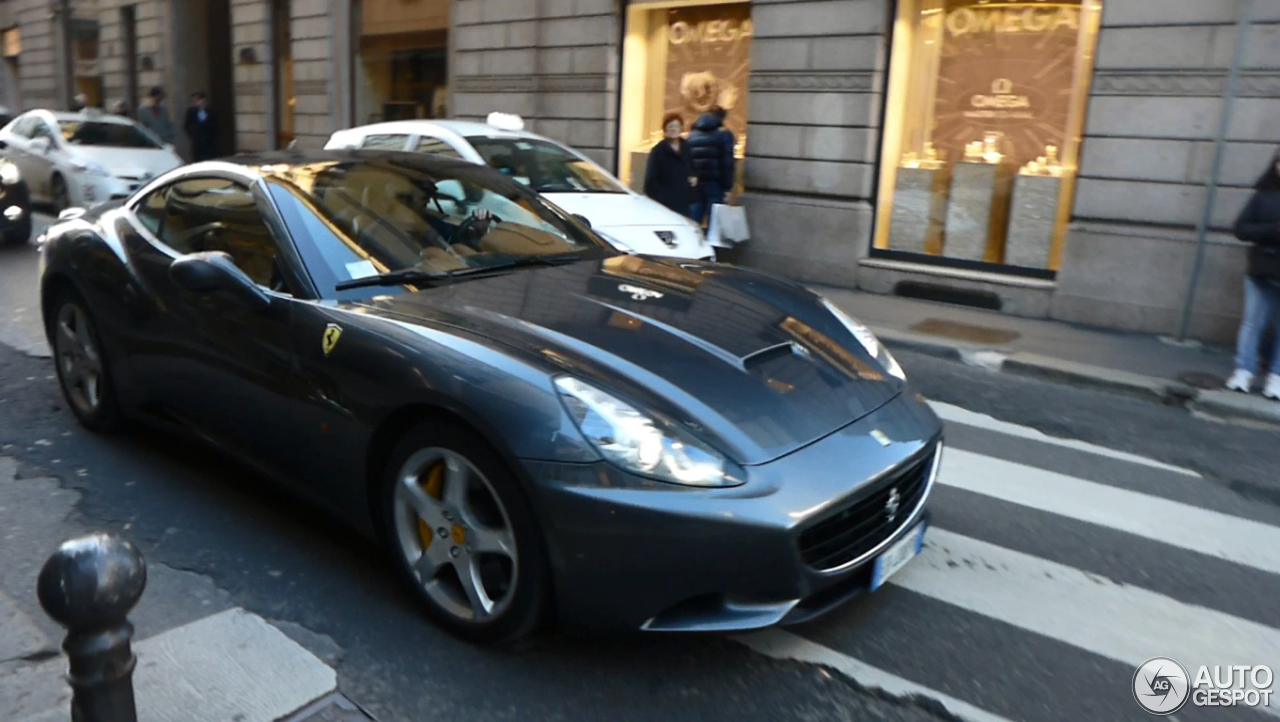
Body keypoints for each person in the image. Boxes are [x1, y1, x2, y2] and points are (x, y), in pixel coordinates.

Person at [1227, 149, 1280, 399]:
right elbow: (1240, 229)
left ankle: (1276, 378)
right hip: (1262, 271)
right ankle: (1243, 372)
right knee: (1252, 324)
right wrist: (1274, 229)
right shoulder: (1263, 197)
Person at [685, 105, 735, 225]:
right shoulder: (724, 135)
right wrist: (728, 188)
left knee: (693, 224)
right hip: (715, 186)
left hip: (695, 186)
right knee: (715, 227)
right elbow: (727, 164)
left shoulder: (691, 135)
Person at [643, 112, 694, 219]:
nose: (673, 129)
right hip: (665, 205)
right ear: (665, 129)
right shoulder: (658, 151)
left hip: (684, 203)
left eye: (676, 126)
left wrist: (694, 179)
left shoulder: (687, 148)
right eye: (670, 126)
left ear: (681, 128)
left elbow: (693, 169)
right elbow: (650, 181)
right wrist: (661, 199)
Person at [183, 91, 218, 161]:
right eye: (194, 100)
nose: (195, 102)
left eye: (197, 100)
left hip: (209, 143)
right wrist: (193, 135)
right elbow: (186, 125)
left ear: (203, 100)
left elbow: (216, 125)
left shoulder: (211, 111)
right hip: (197, 143)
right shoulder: (191, 111)